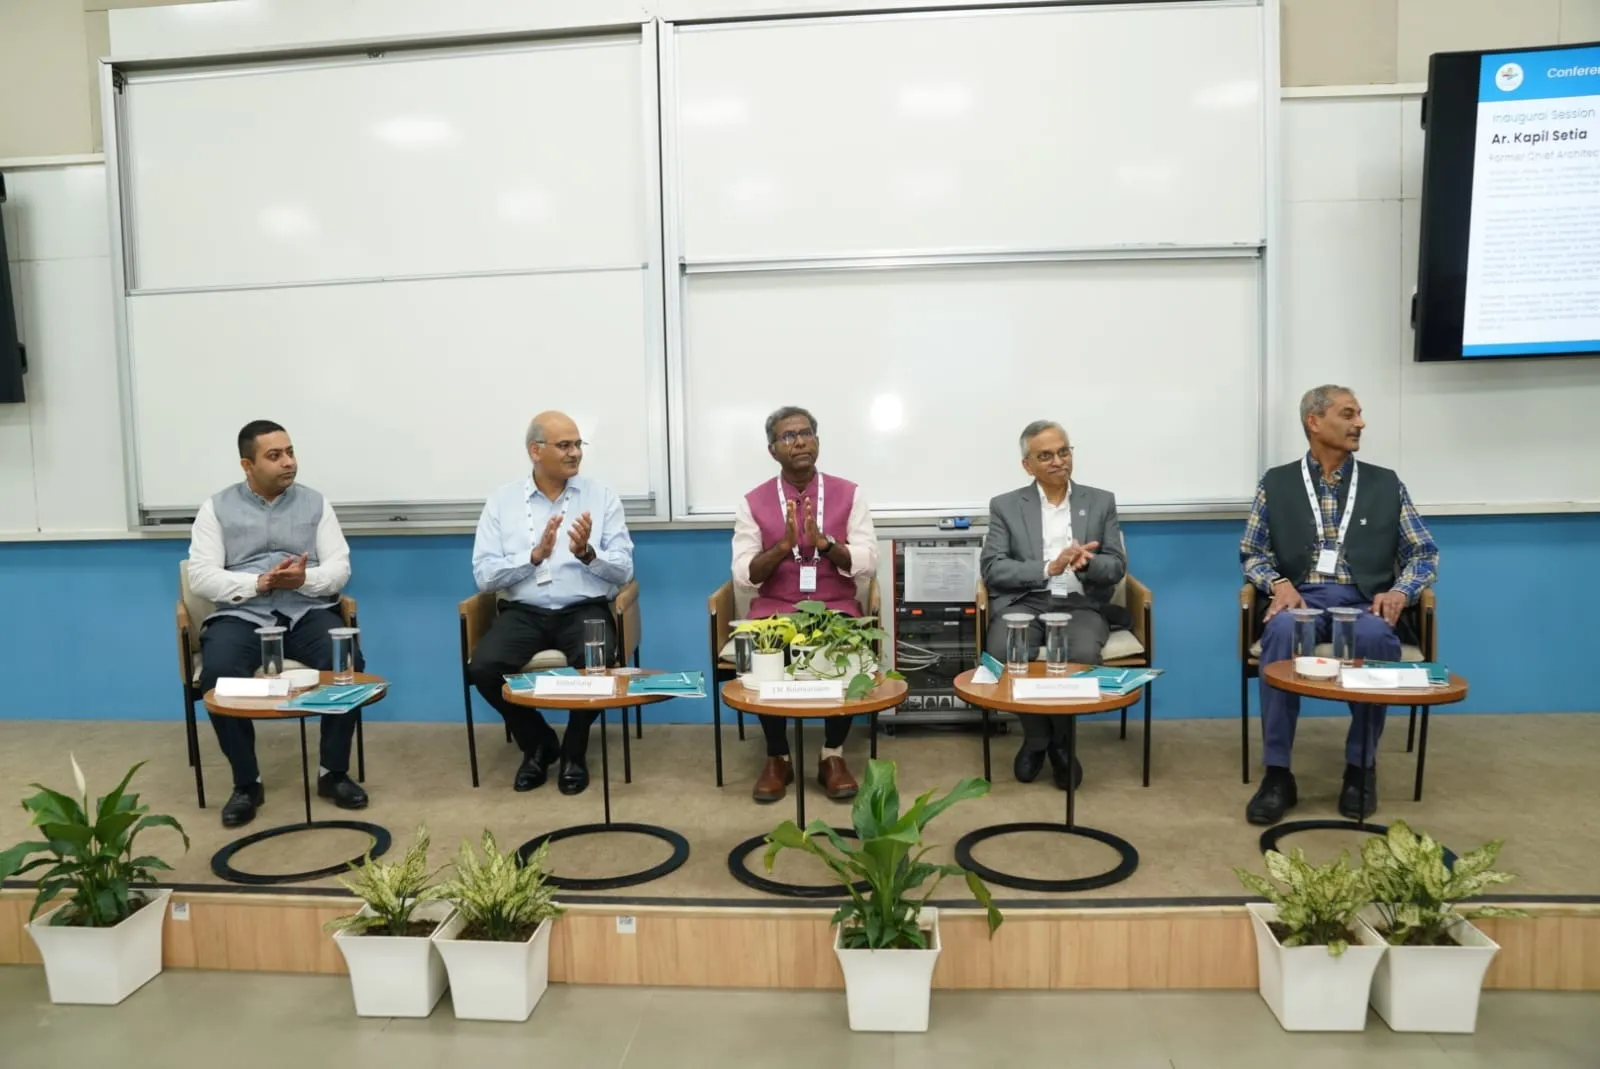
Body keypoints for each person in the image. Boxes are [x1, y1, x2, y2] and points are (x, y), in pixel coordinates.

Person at [1241, 385, 1439, 826]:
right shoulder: (1276, 483)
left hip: (1365, 602)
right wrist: (1277, 583)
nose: (1360, 423)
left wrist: (1400, 591)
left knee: (1376, 639)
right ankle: (1277, 773)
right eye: (1348, 414)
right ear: (1314, 422)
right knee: (1280, 632)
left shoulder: (1386, 483)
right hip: (1303, 599)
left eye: (1359, 414)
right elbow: (1252, 552)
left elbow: (1424, 553)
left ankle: (1360, 768)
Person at [189, 420, 366, 828]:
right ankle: (246, 782)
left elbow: (340, 568)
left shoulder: (316, 504)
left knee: (347, 662)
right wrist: (257, 583)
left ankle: (333, 773)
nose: (288, 462)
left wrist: (305, 580)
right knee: (217, 674)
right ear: (247, 465)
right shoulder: (215, 508)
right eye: (275, 456)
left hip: (306, 611)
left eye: (290, 452)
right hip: (242, 614)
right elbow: (200, 576)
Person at [469, 411, 635, 796]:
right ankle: (538, 743)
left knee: (598, 664)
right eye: (564, 445)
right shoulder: (502, 502)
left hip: (584, 608)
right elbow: (484, 576)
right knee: (484, 668)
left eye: (578, 444)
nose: (575, 453)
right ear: (535, 451)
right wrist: (533, 557)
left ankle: (574, 751)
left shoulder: (601, 497)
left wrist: (588, 554)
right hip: (523, 611)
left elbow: (625, 569)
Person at [732, 405, 878, 804]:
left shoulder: (850, 493)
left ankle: (832, 754)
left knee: (845, 653)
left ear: (817, 441)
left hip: (835, 606)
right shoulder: (752, 502)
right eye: (788, 436)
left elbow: (868, 562)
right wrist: (783, 546)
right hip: (775, 609)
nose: (799, 442)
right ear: (772, 450)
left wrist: (827, 545)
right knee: (765, 654)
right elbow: (744, 574)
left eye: (806, 433)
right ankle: (778, 757)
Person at [979, 420, 1128, 791]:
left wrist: (1087, 563)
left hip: (1079, 603)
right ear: (1027, 465)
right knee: (1003, 650)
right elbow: (993, 568)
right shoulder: (1005, 506)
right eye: (1046, 456)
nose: (1058, 461)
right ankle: (1037, 738)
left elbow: (1116, 566)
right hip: (1025, 601)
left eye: (1064, 452)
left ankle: (1060, 742)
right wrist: (1049, 567)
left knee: (1081, 654)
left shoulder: (1100, 501)